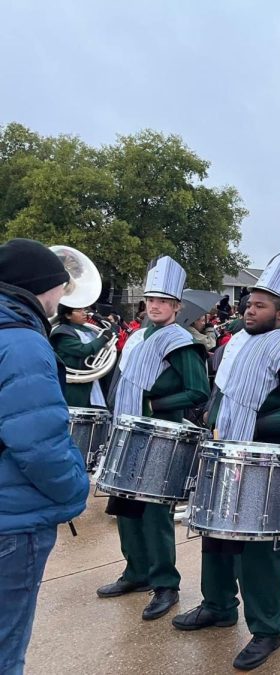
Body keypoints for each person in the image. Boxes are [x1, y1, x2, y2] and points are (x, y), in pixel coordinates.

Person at [173, 253, 280, 671]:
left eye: (261, 305)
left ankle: (267, 629)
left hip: (265, 462)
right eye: (249, 303)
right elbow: (224, 391)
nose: (250, 309)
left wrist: (257, 421)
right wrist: (211, 418)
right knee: (214, 535)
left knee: (259, 550)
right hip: (224, 451)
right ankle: (218, 605)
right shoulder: (235, 342)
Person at [97, 256, 210, 621]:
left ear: (177, 307)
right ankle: (136, 571)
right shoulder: (136, 337)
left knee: (154, 513)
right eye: (151, 299)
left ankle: (166, 584)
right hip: (128, 431)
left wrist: (152, 402)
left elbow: (197, 391)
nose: (155, 306)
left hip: (161, 436)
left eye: (163, 301)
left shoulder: (182, 341)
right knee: (124, 508)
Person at [0, 238, 90, 674]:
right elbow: (38, 443)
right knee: (6, 649)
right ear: (40, 288)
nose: (63, 296)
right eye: (60, 286)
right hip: (14, 519)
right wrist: (75, 487)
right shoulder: (22, 342)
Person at [50, 305, 115, 407]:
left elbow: (108, 343)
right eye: (78, 310)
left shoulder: (90, 330)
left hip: (93, 383)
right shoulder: (62, 333)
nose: (84, 313)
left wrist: (107, 327)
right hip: (73, 387)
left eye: (84, 310)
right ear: (68, 315)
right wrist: (104, 337)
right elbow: (83, 350)